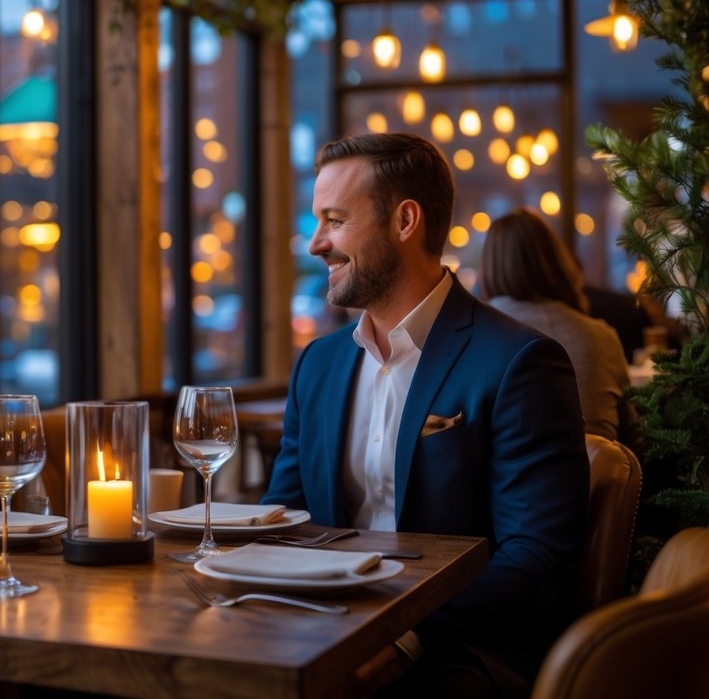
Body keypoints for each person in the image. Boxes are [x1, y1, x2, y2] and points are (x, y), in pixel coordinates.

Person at [262, 133, 588, 697]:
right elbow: (284, 521)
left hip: (457, 652)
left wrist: (400, 635)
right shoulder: (317, 365)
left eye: (335, 220)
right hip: (320, 635)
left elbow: (536, 561)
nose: (316, 243)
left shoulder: (520, 362)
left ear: (405, 221)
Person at [481, 209, 632, 441]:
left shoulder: (478, 335)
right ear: (556, 261)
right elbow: (632, 434)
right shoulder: (601, 335)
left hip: (522, 465)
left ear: (490, 266)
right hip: (603, 464)